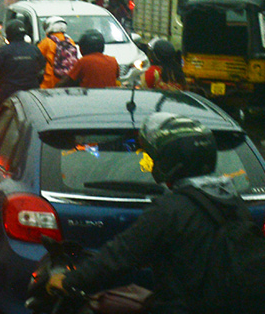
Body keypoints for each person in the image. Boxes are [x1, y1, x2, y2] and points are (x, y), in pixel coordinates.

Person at [47, 113, 250, 313]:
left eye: (153, 157)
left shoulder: (170, 209)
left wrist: (69, 280)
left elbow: (121, 254)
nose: (151, 162)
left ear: (168, 161)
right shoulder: (232, 201)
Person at [0, 19, 45, 117]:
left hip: (10, 92)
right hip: (33, 91)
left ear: (9, 34)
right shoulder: (34, 49)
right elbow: (42, 68)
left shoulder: (4, 51)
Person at [37, 16, 78, 89]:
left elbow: (36, 57)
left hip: (50, 81)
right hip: (66, 81)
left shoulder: (46, 42)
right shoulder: (70, 41)